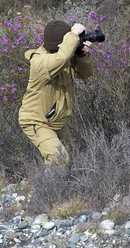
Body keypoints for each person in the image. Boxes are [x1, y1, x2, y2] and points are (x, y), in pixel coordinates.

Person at [18, 20, 94, 166]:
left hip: (55, 120)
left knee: (72, 155)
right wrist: (73, 35)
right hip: (36, 120)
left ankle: (66, 188)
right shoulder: (39, 61)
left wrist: (81, 55)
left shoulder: (64, 57)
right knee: (59, 158)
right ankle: (46, 189)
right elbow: (61, 58)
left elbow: (86, 73)